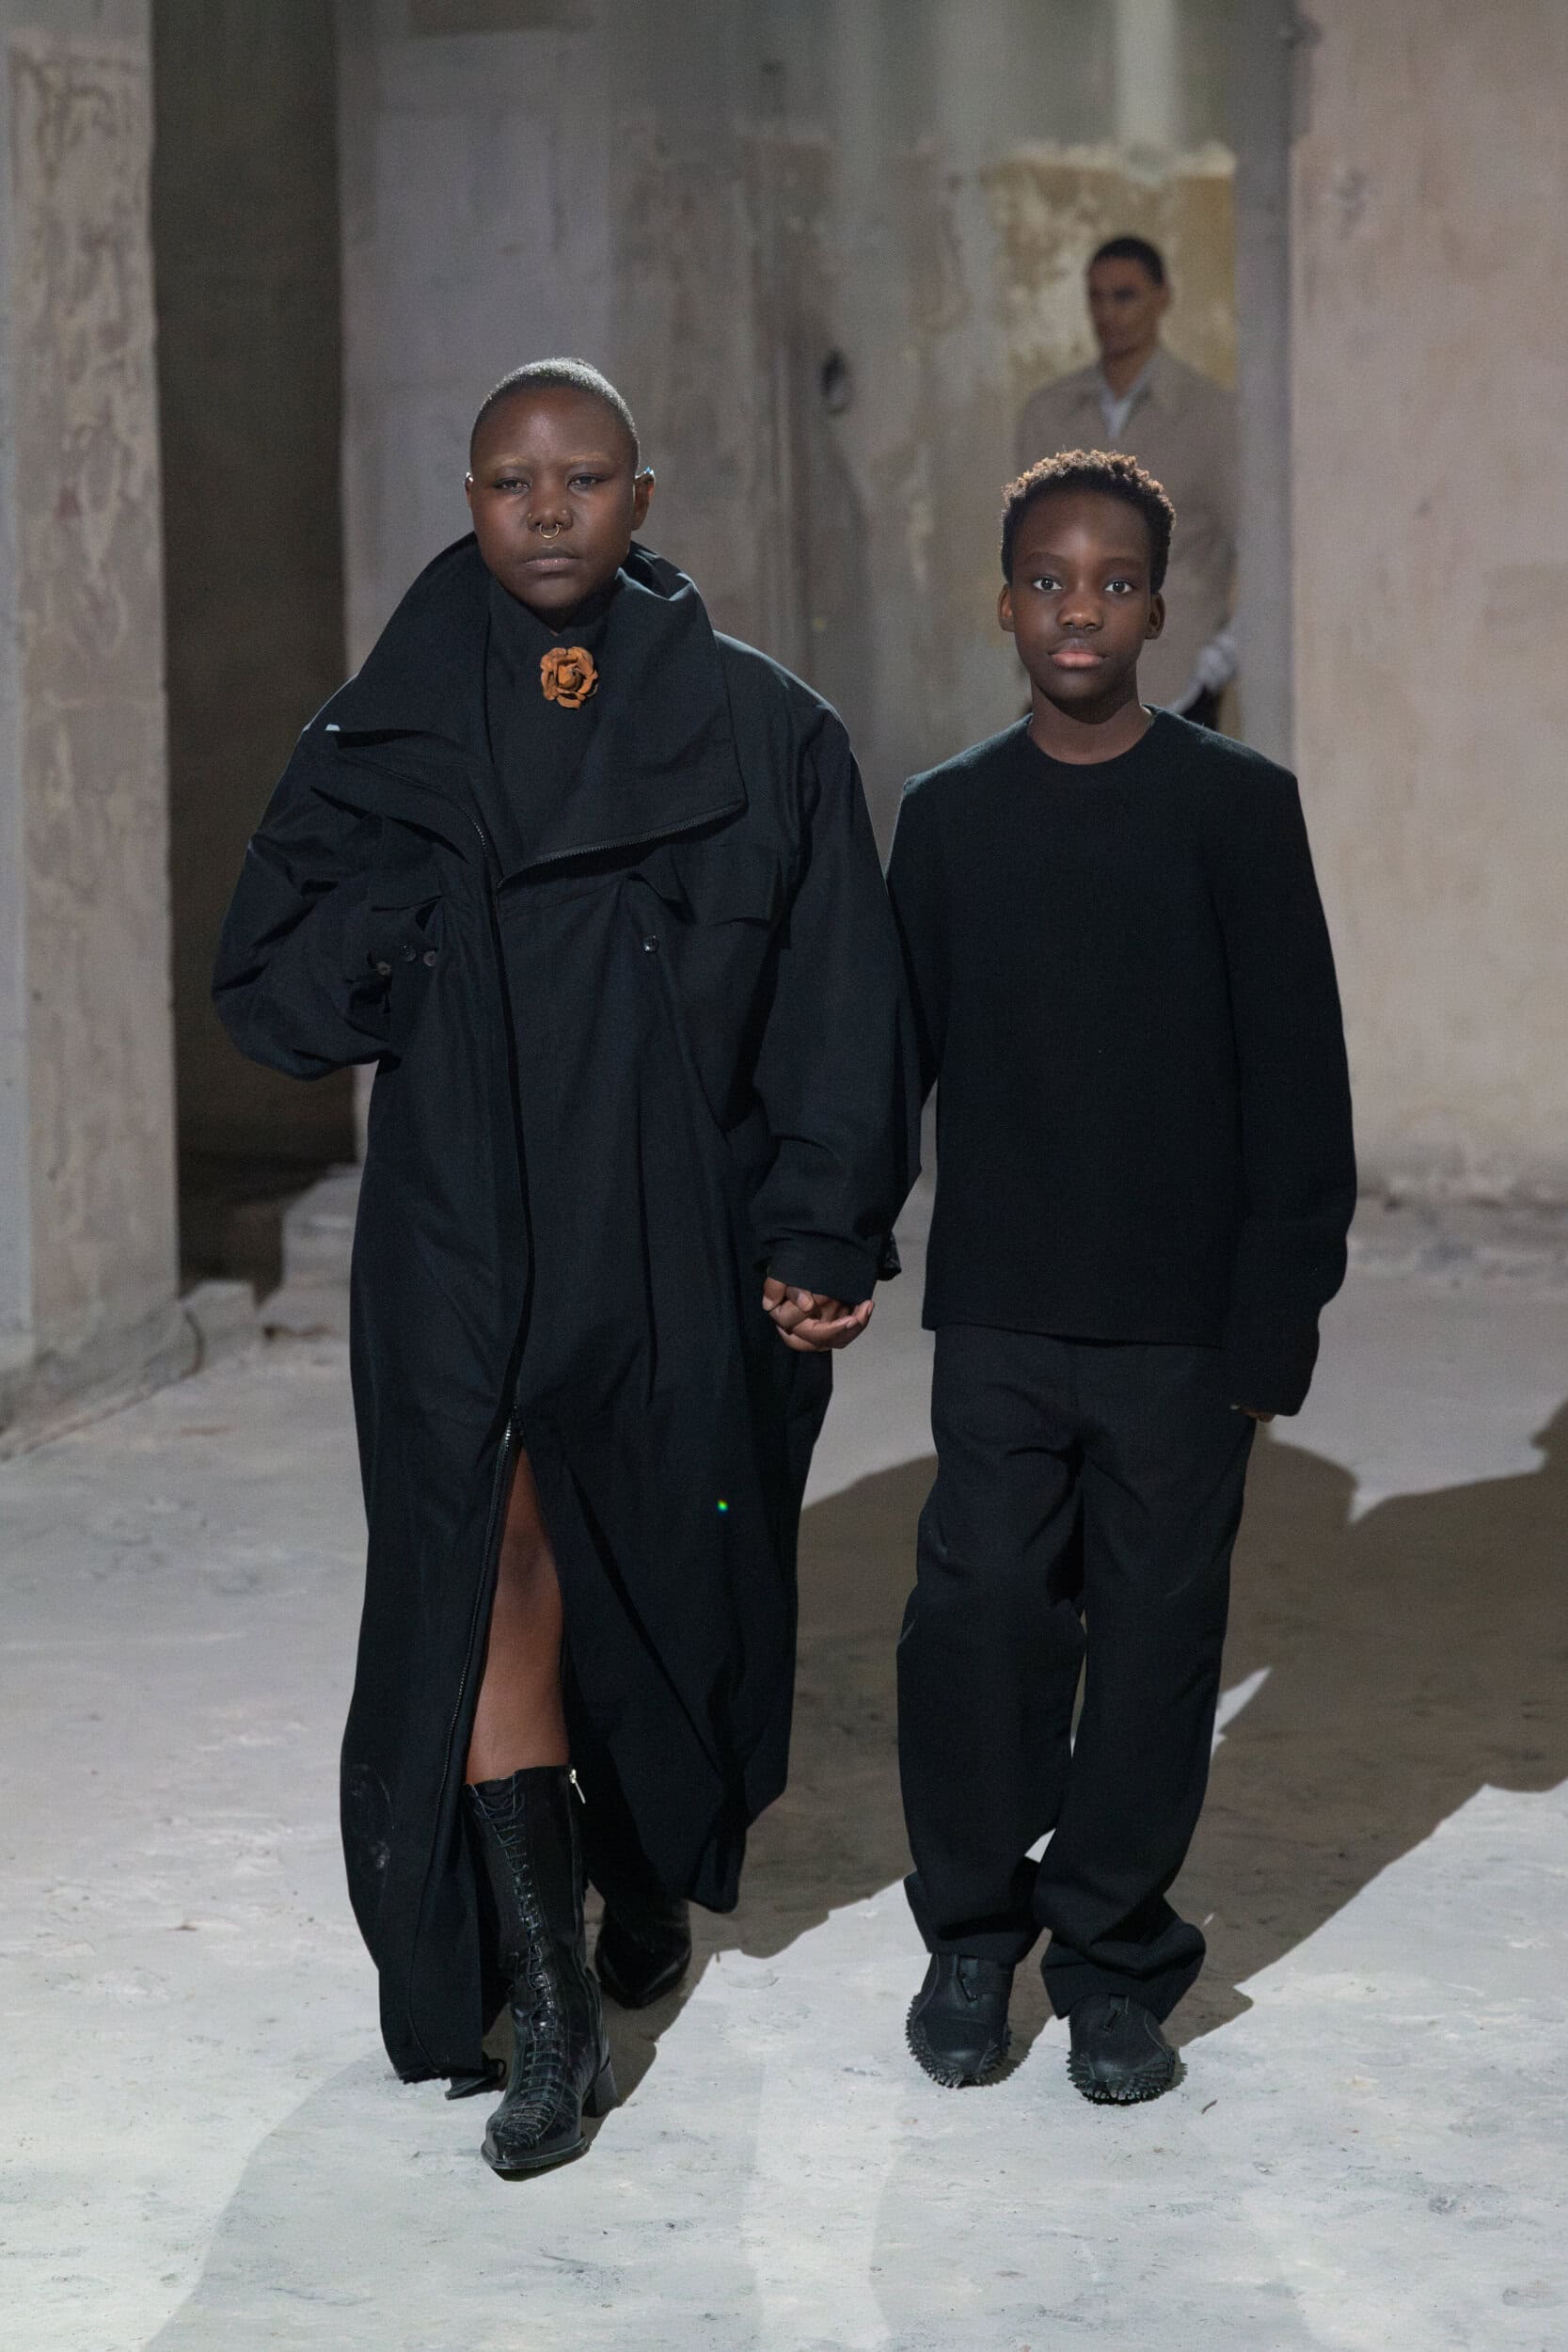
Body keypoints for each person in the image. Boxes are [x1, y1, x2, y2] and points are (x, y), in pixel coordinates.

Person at [214, 358, 914, 2175]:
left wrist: (821, 1227)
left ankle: (640, 1856)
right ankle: (550, 2017)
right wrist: (410, 924)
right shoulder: (383, 732)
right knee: (490, 1563)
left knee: (670, 1584)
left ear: (641, 496)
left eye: (582, 476)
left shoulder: (766, 730)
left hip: (676, 1237)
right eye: (510, 478)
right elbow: (267, 987)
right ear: (468, 499)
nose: (545, 507)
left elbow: (843, 1008)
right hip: (460, 1232)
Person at [885, 450, 1354, 2105]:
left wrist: (1272, 1321)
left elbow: (1297, 1080)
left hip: (1179, 1323)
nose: (1076, 610)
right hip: (999, 1309)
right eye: (1046, 580)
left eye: (1111, 583)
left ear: (1158, 609)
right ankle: (968, 1933)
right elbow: (886, 1059)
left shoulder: (1233, 809)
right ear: (1003, 602)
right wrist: (825, 1234)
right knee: (978, 1616)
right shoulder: (946, 818)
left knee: (1156, 1638)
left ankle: (1108, 1960)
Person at [1016, 235, 1236, 725]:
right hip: (1065, 680)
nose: (1107, 313)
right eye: (1096, 297)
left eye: (1124, 296)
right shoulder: (1048, 415)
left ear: (1162, 297)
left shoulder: (1212, 417)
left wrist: (1217, 665)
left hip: (1176, 686)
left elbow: (1264, 556)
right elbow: (1026, 550)